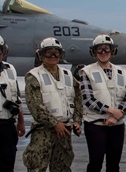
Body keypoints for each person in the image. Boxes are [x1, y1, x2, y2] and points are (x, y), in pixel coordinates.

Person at [22, 37, 83, 172]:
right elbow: (35, 107)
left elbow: (78, 97)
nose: (53, 56)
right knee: (37, 167)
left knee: (62, 168)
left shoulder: (67, 75)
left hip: (64, 131)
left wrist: (77, 121)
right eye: (49, 52)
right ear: (41, 55)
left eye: (57, 52)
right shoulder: (34, 76)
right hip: (43, 132)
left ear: (61, 55)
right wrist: (55, 123)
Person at [79, 34, 126, 172]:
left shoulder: (122, 72)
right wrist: (111, 111)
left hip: (117, 125)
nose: (103, 52)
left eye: (106, 49)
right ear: (94, 52)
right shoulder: (86, 72)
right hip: (96, 126)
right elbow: (88, 99)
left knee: (114, 164)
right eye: (99, 49)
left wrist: (116, 116)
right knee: (95, 163)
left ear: (112, 51)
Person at [0, 35, 25, 172]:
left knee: (8, 164)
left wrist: (21, 121)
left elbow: (17, 98)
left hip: (7, 127)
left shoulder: (10, 70)